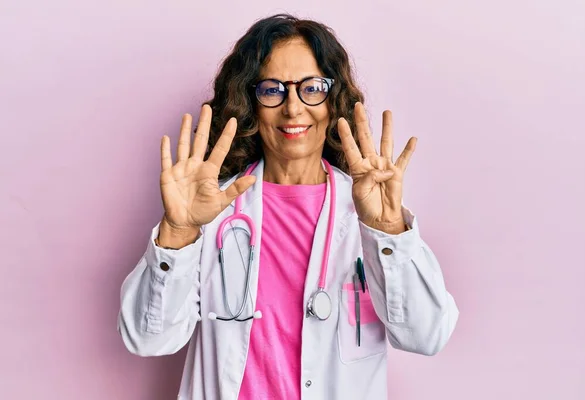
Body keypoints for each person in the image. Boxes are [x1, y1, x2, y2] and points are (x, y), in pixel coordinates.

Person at [118, 13, 459, 400]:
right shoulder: (212, 212)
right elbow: (148, 339)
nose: (293, 108)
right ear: (251, 101)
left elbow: (427, 333)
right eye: (272, 89)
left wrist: (389, 231)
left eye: (312, 88)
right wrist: (178, 234)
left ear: (333, 101)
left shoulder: (369, 210)